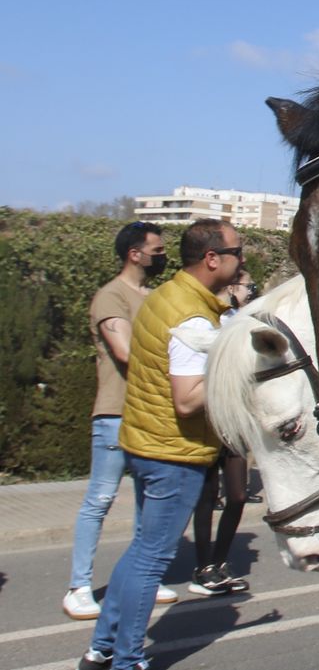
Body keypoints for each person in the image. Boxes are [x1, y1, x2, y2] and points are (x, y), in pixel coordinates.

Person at [80, 220, 241, 670]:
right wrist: (236, 368)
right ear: (212, 258)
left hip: (149, 442)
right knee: (152, 561)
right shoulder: (189, 315)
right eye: (236, 250)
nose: (240, 258)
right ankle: (128, 660)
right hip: (174, 452)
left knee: (140, 552)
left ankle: (102, 648)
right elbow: (188, 399)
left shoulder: (169, 295)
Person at [64, 223, 180, 621]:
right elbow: (126, 351)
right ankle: (79, 586)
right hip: (116, 413)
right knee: (99, 500)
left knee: (147, 506)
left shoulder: (155, 297)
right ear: (135, 253)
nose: (162, 255)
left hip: (150, 414)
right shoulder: (111, 296)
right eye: (157, 249)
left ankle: (142, 577)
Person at [186, 270, 257, 597]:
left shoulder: (239, 319)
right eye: (246, 286)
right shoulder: (204, 318)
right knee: (206, 495)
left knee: (238, 495)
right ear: (231, 287)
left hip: (234, 418)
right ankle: (203, 568)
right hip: (208, 417)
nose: (249, 291)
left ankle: (220, 559)